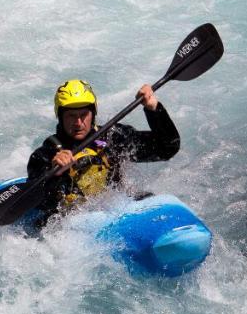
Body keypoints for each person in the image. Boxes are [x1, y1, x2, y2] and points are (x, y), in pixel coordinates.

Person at [26, 78, 180, 223]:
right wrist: (55, 174)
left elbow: (166, 148)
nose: (78, 123)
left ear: (93, 113)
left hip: (119, 207)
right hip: (76, 221)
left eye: (83, 115)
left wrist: (153, 109)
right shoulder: (47, 154)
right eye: (71, 116)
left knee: (147, 196)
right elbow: (37, 203)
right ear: (60, 116)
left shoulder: (113, 137)